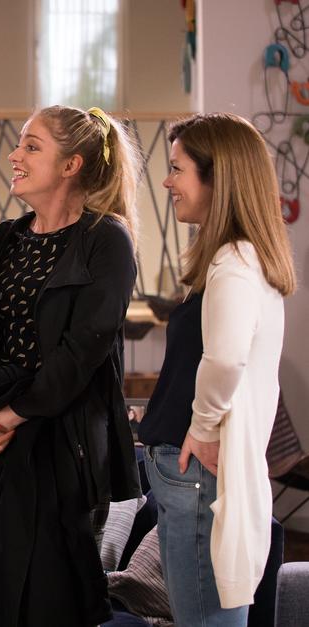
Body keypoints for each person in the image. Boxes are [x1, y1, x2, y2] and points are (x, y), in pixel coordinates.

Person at [0, 105, 144, 627]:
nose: (14, 155)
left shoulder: (107, 239)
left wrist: (13, 414)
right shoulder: (6, 237)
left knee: (44, 603)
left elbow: (84, 350)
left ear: (71, 165)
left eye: (31, 146)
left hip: (63, 448)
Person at [138, 113, 296, 626]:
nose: (167, 182)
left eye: (177, 169)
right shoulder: (239, 259)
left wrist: (203, 427)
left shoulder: (234, 261)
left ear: (217, 178)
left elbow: (226, 359)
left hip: (197, 474)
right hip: (193, 475)